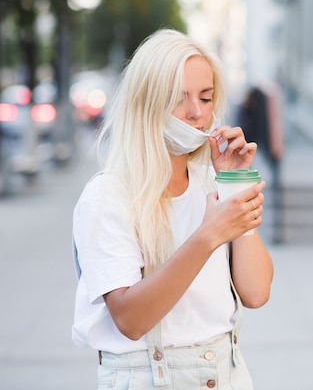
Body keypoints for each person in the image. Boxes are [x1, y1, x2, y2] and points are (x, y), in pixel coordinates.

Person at [71, 29, 274, 390]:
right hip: (151, 377)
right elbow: (131, 320)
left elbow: (256, 293)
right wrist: (208, 235)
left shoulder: (212, 184)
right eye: (179, 99)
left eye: (206, 97)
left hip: (228, 373)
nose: (197, 113)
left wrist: (235, 186)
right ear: (145, 101)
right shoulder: (107, 196)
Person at [237, 84, 284, 243]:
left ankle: (270, 233)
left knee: (261, 195)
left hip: (258, 153)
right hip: (254, 154)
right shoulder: (251, 108)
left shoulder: (254, 108)